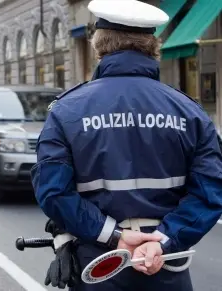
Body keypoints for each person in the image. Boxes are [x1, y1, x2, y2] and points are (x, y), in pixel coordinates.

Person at [31, 1, 222, 291]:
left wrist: (114, 236)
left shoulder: (66, 111)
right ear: (153, 46)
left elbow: (53, 192)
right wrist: (163, 240)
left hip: (100, 267)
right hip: (167, 266)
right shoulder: (190, 112)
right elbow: (211, 192)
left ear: (99, 46)